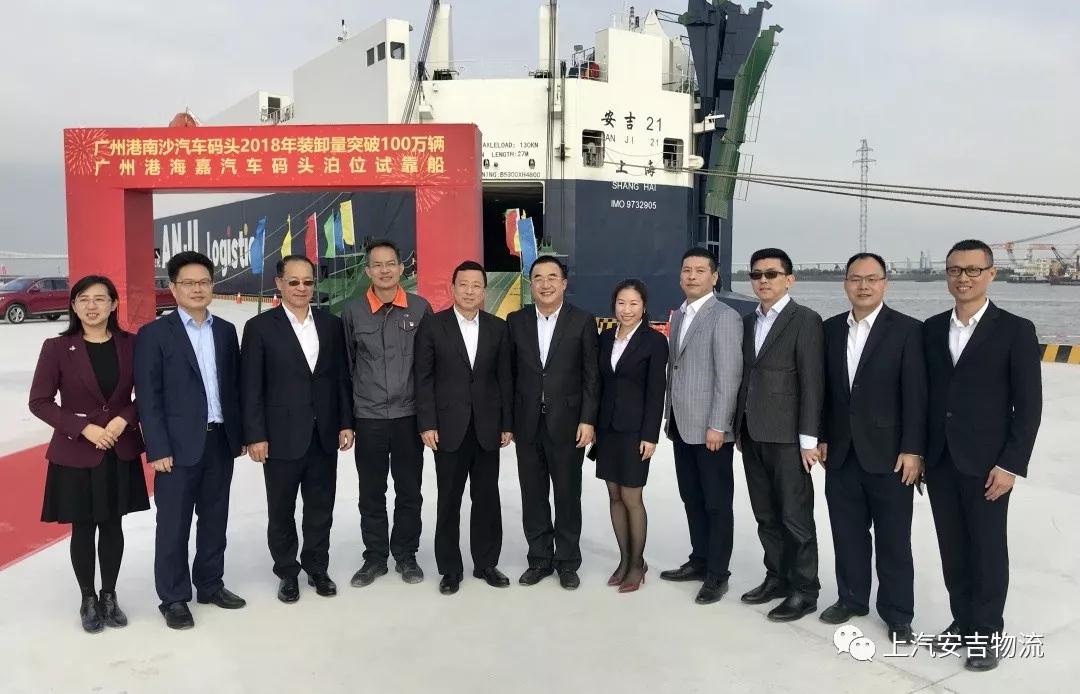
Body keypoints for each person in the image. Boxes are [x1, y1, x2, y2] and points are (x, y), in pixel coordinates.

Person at [924, 239, 1041, 672]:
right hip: (940, 460)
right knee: (952, 548)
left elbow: (1028, 406)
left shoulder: (1015, 330)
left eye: (973, 270)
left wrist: (1011, 464)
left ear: (991, 274)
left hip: (989, 464)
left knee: (988, 549)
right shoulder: (931, 329)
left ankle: (986, 633)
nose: (964, 278)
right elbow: (925, 397)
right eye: (956, 270)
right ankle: (962, 620)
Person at [29, 275, 150, 633]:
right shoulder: (57, 347)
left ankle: (109, 595)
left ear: (114, 304)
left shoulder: (132, 345)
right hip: (76, 452)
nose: (92, 306)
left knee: (113, 525)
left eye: (100, 299)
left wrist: (124, 419)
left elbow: (148, 393)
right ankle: (87, 598)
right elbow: (39, 401)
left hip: (118, 448)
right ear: (74, 306)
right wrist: (84, 428)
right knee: (82, 527)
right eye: (84, 299)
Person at [818, 253, 927, 645]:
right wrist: (822, 436)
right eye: (855, 278)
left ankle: (898, 613)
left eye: (872, 278)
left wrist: (913, 449)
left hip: (891, 455)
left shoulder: (908, 330)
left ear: (885, 283)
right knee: (847, 533)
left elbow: (917, 396)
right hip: (841, 453)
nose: (863, 286)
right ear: (845, 283)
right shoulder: (830, 329)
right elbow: (824, 391)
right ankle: (851, 598)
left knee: (893, 539)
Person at [135, 251, 246, 630]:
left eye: (204, 282)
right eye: (188, 283)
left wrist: (239, 435)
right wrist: (157, 447)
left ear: (212, 285)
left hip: (220, 441)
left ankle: (210, 584)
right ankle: (173, 597)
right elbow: (148, 397)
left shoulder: (226, 331)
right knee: (174, 525)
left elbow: (234, 387)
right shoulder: (154, 335)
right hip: (176, 448)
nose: (197, 289)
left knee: (215, 519)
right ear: (173, 288)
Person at [240, 255, 355, 603]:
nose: (301, 288)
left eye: (307, 282)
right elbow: (251, 387)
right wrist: (255, 435)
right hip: (280, 437)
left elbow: (340, 378)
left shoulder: (331, 324)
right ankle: (287, 572)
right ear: (279, 284)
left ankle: (318, 568)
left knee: (321, 507)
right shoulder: (260, 328)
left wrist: (346, 422)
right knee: (281, 510)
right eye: (293, 282)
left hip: (324, 435)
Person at [414, 261, 514, 595]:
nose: (470, 291)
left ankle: (486, 563)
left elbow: (505, 379)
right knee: (449, 500)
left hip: (487, 428)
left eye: (476, 286)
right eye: (464, 285)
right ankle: (450, 569)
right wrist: (427, 423)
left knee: (487, 498)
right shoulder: (433, 326)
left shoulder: (498, 328)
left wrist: (507, 424)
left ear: (484, 291)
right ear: (452, 288)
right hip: (448, 428)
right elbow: (423, 378)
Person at [735, 247, 824, 622]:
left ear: (789, 279)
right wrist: (737, 426)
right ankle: (777, 577)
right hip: (752, 433)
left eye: (771, 274)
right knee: (766, 515)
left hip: (788, 438)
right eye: (756, 275)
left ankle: (805, 590)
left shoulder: (805, 320)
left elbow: (812, 382)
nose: (763, 281)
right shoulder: (748, 322)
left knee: (795, 517)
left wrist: (808, 439)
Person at [341, 239, 432, 587]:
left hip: (409, 417)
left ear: (401, 268)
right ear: (368, 271)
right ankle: (375, 558)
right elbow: (346, 369)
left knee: (409, 491)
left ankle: (406, 555)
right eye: (377, 265)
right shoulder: (352, 312)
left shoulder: (420, 309)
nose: (384, 270)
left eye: (391, 263)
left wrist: (429, 419)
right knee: (371, 492)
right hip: (369, 417)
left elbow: (430, 369)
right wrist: (347, 421)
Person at [506, 255, 600, 590]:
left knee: (567, 495)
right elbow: (508, 376)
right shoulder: (515, 321)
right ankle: (539, 559)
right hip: (526, 424)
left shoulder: (582, 321)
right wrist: (508, 422)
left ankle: (568, 562)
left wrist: (588, 419)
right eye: (538, 278)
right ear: (531, 284)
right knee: (533, 495)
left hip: (569, 423)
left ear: (564, 283)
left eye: (552, 278)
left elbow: (591, 376)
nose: (545, 284)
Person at [659, 249, 743, 604]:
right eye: (686, 270)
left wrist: (719, 425)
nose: (692, 276)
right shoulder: (680, 315)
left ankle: (718, 574)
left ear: (714, 277)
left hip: (711, 430)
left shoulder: (725, 317)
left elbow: (729, 375)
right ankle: (700, 559)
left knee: (717, 503)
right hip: (682, 423)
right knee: (691, 497)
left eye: (699, 270)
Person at [593, 279, 668, 593]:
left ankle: (637, 564)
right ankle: (624, 559)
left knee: (631, 497)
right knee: (614, 495)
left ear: (644, 306)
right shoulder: (605, 337)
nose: (626, 309)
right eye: (621, 303)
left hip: (636, 431)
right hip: (607, 429)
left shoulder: (654, 342)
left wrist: (650, 435)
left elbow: (656, 392)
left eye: (633, 304)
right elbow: (599, 383)